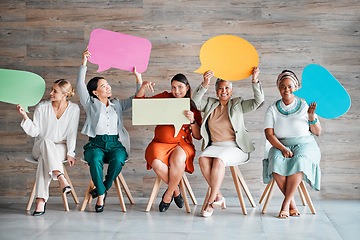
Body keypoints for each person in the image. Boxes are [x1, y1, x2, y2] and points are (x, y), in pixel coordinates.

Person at [192, 67, 264, 217]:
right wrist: (205, 83)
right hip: (215, 146)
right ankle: (218, 195)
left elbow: (258, 101)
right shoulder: (210, 104)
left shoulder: (238, 104)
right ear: (216, 91)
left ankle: (210, 202)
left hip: (235, 147)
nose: (223, 91)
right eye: (220, 88)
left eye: (226, 88)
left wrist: (255, 80)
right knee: (203, 159)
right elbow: (195, 102)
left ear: (231, 91)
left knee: (219, 160)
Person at [77, 49, 142, 212]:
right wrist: (84, 62)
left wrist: (138, 79)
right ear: (94, 92)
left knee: (119, 159)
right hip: (96, 144)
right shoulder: (90, 104)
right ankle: (100, 196)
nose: (108, 88)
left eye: (108, 85)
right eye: (103, 86)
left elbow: (136, 100)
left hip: (114, 144)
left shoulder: (117, 104)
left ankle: (103, 187)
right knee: (94, 160)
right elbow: (79, 85)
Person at [135, 74, 202, 212]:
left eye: (180, 87)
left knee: (178, 159)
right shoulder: (165, 97)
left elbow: (198, 136)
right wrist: (142, 87)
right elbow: (140, 104)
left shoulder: (193, 105)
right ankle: (175, 190)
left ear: (187, 87)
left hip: (182, 145)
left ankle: (168, 194)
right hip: (160, 143)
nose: (176, 91)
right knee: (156, 162)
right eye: (173, 87)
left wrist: (192, 121)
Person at [263, 70, 321, 219]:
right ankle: (292, 205)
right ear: (278, 88)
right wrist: (282, 148)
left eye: (290, 86)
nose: (286, 89)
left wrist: (311, 117)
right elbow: (269, 135)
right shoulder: (273, 109)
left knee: (300, 160)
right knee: (275, 161)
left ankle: (285, 204)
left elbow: (317, 132)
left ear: (296, 87)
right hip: (279, 144)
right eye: (283, 86)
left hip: (305, 144)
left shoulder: (305, 105)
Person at [17, 79, 80, 216]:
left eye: (55, 91)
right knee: (46, 141)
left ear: (64, 95)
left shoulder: (74, 109)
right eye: (52, 90)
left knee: (44, 162)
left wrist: (71, 153)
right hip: (40, 146)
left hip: (60, 147)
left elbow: (72, 133)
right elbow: (35, 132)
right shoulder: (42, 107)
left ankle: (41, 201)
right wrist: (25, 116)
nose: (50, 93)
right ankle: (60, 177)